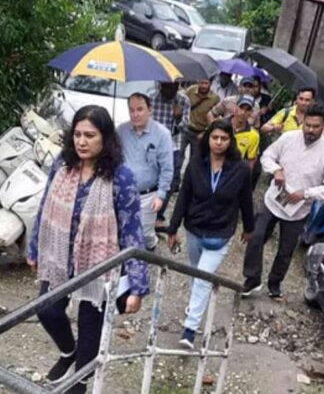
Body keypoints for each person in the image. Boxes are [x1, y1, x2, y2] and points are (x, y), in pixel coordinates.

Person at [26, 105, 149, 394]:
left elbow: (132, 231)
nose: (82, 142)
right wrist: (34, 248)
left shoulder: (120, 177)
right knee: (47, 309)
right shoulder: (63, 164)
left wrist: (138, 285)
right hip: (59, 256)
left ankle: (79, 383)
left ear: (105, 138)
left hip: (98, 263)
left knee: (90, 328)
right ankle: (68, 351)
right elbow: (45, 207)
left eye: (90, 136)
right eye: (78, 134)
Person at [167, 119, 254, 348]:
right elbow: (184, 196)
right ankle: (196, 306)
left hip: (221, 233)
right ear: (208, 139)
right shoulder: (196, 163)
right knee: (196, 273)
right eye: (215, 137)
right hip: (194, 228)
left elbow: (246, 200)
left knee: (203, 278)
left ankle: (190, 329)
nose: (218, 142)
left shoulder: (241, 169)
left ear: (230, 141)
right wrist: (173, 228)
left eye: (224, 138)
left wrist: (249, 228)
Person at [241, 104, 324, 298]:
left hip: (298, 210)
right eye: (308, 125)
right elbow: (267, 156)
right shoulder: (288, 138)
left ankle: (275, 283)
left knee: (286, 250)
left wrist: (306, 193)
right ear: (303, 122)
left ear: (323, 126)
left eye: (316, 127)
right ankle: (252, 279)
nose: (310, 130)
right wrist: (276, 170)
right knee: (255, 237)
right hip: (273, 200)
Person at [118, 93, 174, 251]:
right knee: (124, 231)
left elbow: (167, 168)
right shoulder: (121, 131)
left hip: (148, 194)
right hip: (125, 192)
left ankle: (151, 247)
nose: (135, 114)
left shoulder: (162, 134)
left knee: (144, 235)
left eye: (140, 109)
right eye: (131, 110)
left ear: (150, 110)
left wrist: (161, 195)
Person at [150, 81, 190, 230]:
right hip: (154, 145)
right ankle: (148, 211)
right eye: (167, 87)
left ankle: (159, 214)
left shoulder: (183, 100)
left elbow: (186, 127)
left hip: (174, 145)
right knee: (152, 178)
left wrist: (178, 117)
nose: (171, 91)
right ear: (161, 86)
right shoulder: (151, 99)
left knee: (171, 181)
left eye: (174, 87)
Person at [182, 78, 220, 167]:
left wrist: (206, 132)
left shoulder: (215, 98)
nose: (204, 86)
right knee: (178, 156)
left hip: (200, 132)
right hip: (186, 129)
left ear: (210, 84)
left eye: (206, 83)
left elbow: (215, 118)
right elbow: (182, 103)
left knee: (194, 160)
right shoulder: (191, 91)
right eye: (202, 83)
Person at [230, 95, 260, 168]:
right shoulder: (220, 125)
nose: (243, 112)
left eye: (247, 110)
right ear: (235, 107)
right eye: (241, 108)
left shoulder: (254, 136)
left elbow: (251, 161)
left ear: (251, 112)